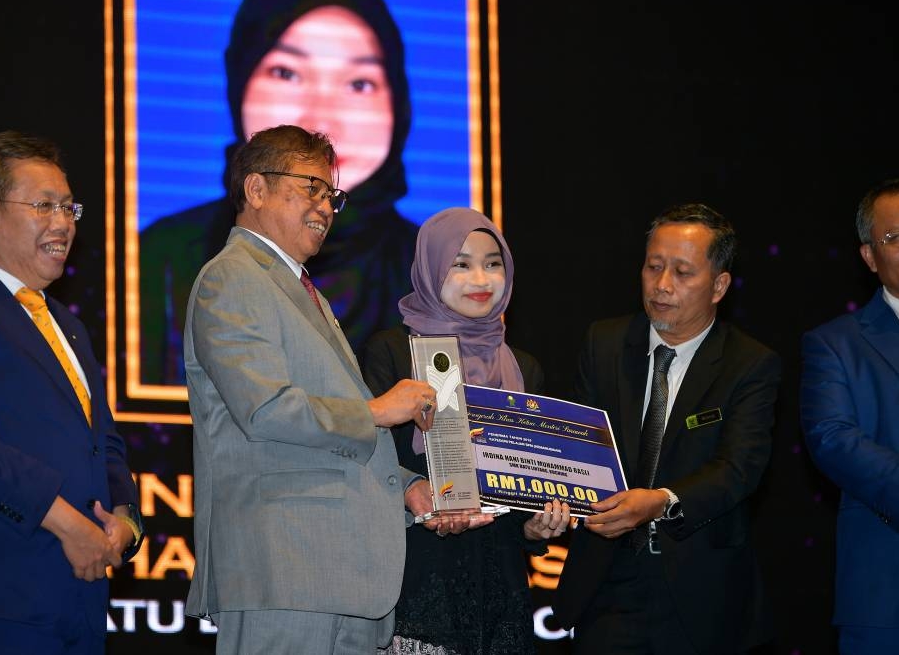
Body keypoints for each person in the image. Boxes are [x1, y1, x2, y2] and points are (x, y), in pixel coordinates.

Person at [184, 124, 444, 654]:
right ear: (255, 190)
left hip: (338, 576)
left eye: (332, 195)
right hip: (285, 573)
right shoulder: (231, 278)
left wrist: (407, 487)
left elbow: (330, 433)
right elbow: (266, 409)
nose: (326, 208)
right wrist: (377, 409)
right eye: (311, 188)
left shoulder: (301, 290)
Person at [0, 130, 144, 654]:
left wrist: (126, 522)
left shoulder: (70, 327)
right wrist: (69, 525)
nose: (63, 222)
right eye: (43, 206)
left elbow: (103, 444)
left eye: (68, 207)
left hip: (79, 605)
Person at [140, 0, 416, 385]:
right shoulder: (164, 259)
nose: (322, 115)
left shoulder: (426, 269)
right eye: (286, 73)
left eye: (359, 83)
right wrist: (376, 413)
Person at [551, 203, 782, 655]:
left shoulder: (749, 364)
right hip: (607, 580)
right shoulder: (605, 343)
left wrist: (659, 503)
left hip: (699, 589)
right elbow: (574, 445)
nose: (661, 285)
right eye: (653, 267)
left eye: (682, 272)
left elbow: (740, 468)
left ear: (718, 286)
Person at [361, 206, 572, 654]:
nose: (481, 279)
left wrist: (535, 528)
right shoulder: (393, 353)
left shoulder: (523, 369)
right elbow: (365, 458)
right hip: (414, 585)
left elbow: (518, 489)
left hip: (500, 594)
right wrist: (414, 491)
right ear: (430, 267)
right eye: (461, 264)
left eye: (494, 264)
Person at [799, 178, 899, 654]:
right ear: (869, 257)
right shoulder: (836, 343)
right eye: (898, 237)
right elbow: (833, 439)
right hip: (890, 589)